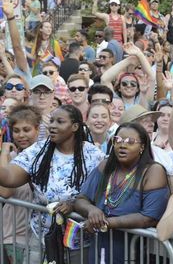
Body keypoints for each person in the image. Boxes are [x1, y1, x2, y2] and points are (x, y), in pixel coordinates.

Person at [0, 105, 104, 263]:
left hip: (80, 241)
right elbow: (9, 177)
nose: (52, 126)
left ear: (75, 126)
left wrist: (75, 204)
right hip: (40, 237)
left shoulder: (93, 155)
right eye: (52, 121)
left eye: (60, 122)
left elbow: (105, 191)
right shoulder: (38, 150)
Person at [74, 122, 169, 264]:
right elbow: (81, 199)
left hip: (132, 251)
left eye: (130, 142)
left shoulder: (153, 171)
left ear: (142, 147)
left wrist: (108, 223)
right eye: (117, 140)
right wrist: (91, 210)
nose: (122, 145)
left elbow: (150, 217)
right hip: (100, 246)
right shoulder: (106, 166)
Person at [0, 105, 41, 264]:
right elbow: (5, 191)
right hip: (13, 236)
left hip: (35, 237)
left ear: (37, 129)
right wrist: (4, 154)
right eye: (16, 131)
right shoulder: (10, 156)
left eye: (26, 129)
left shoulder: (43, 155)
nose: (21, 135)